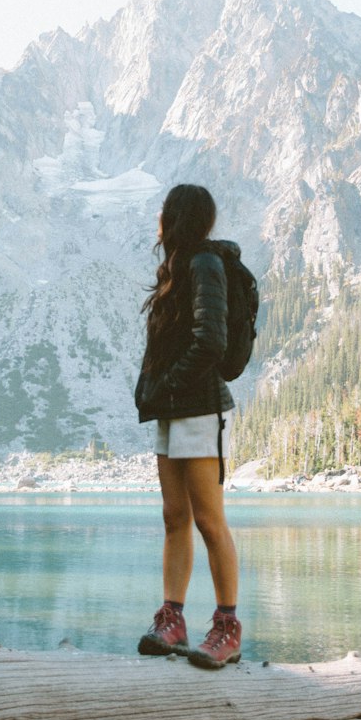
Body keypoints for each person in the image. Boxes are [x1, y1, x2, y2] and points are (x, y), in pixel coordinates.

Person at [134, 183, 242, 669]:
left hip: (197, 407)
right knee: (174, 517)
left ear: (177, 216)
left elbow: (212, 341)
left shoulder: (204, 265)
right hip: (173, 407)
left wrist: (169, 387)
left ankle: (227, 627)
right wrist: (153, 391)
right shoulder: (177, 268)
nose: (156, 217)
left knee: (208, 520)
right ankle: (171, 620)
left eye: (163, 210)